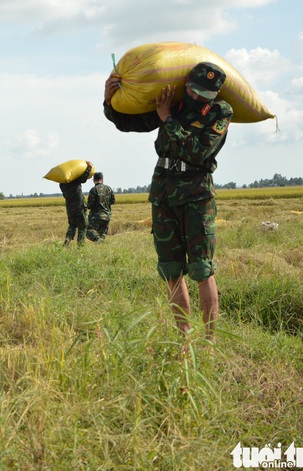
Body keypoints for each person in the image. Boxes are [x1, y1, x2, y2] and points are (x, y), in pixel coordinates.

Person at [103, 61, 233, 343]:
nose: (197, 98)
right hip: (163, 191)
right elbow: (130, 124)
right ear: (186, 84)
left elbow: (198, 151)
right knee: (171, 269)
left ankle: (209, 343)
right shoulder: (171, 103)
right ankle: (184, 338)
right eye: (195, 91)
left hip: (197, 194)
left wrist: (168, 120)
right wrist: (109, 102)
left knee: (201, 268)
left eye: (204, 94)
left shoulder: (220, 112)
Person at [60, 160, 94, 246]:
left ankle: (67, 239)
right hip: (79, 207)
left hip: (69, 208)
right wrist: (89, 167)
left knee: (72, 225)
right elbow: (84, 178)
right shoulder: (75, 180)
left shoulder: (62, 184)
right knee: (82, 226)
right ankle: (80, 245)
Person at [86, 172, 116, 242]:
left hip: (96, 217)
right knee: (102, 235)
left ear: (94, 180)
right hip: (107, 216)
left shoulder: (93, 190)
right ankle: (101, 245)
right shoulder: (109, 189)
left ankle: (99, 240)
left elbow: (90, 205)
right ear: (102, 179)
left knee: (88, 231)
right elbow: (113, 201)